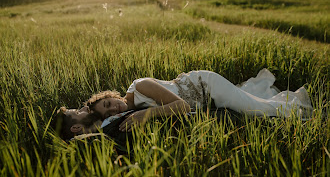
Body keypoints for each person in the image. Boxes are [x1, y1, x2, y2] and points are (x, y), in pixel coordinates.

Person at [53, 69, 313, 140]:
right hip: (204, 103)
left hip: (205, 86)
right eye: (108, 111)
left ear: (112, 95)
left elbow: (180, 108)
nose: (114, 108)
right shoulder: (126, 114)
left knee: (262, 112)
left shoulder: (139, 85)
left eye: (109, 102)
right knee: (252, 110)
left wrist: (149, 115)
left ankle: (308, 112)